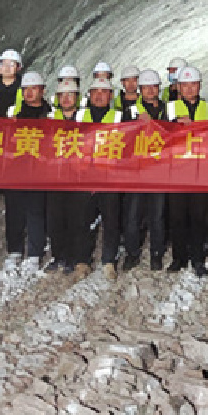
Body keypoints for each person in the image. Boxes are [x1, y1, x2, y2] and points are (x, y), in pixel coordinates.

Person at [166, 66, 208, 276]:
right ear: (178, 87)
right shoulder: (169, 109)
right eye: (184, 85)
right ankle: (179, 257)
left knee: (199, 217)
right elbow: (159, 135)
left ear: (199, 86)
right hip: (177, 172)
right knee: (177, 217)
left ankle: (198, 258)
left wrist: (194, 125)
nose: (188, 89)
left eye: (193, 84)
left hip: (201, 172)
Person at [45, 80, 92, 274]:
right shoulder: (49, 117)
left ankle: (77, 257)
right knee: (55, 219)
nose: (66, 98)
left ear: (77, 97)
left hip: (79, 176)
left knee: (78, 219)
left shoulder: (86, 117)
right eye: (62, 95)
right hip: (56, 176)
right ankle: (59, 256)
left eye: (70, 95)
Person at [7, 71, 52, 270]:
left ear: (42, 90)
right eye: (26, 89)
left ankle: (34, 253)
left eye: (34, 88)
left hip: (40, 171)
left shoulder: (51, 115)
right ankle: (14, 250)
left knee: (35, 211)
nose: (29, 93)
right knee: (14, 211)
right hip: (16, 169)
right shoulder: (13, 114)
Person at [124, 69, 168, 270]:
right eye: (146, 87)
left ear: (159, 88)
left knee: (157, 216)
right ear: (140, 90)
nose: (150, 90)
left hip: (159, 172)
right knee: (133, 216)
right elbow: (122, 138)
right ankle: (132, 254)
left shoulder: (169, 109)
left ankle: (156, 254)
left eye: (153, 86)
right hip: (137, 172)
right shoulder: (131, 111)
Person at [83, 78, 125, 279]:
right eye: (95, 92)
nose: (99, 95)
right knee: (83, 220)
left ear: (110, 96)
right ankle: (82, 260)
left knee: (111, 220)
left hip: (110, 176)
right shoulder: (80, 115)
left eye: (104, 91)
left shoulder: (120, 116)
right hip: (85, 177)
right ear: (89, 95)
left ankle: (109, 261)